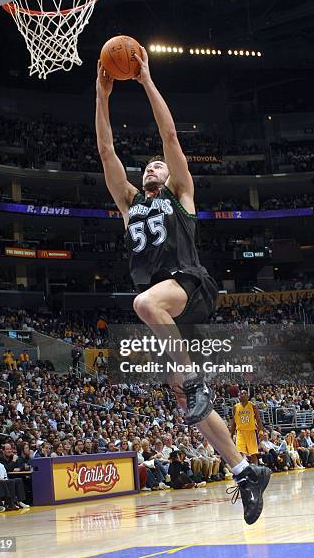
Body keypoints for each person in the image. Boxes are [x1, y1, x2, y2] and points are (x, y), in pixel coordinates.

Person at [95, 49, 271, 525]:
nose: (152, 167)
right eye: (148, 166)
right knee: (189, 407)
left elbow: (169, 134)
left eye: (158, 165)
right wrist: (102, 93)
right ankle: (244, 471)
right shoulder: (129, 205)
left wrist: (148, 80)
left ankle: (191, 379)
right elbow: (107, 152)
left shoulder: (182, 195)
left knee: (143, 303)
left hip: (188, 286)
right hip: (166, 314)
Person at [230, 391, 264, 465]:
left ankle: (255, 469)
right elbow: (233, 422)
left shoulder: (252, 406)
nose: (243, 395)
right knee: (239, 452)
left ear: (248, 396)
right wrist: (231, 434)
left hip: (251, 432)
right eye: (241, 394)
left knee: (253, 453)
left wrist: (261, 431)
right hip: (240, 432)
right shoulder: (236, 407)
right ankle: (243, 469)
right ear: (239, 396)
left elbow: (258, 419)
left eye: (245, 394)